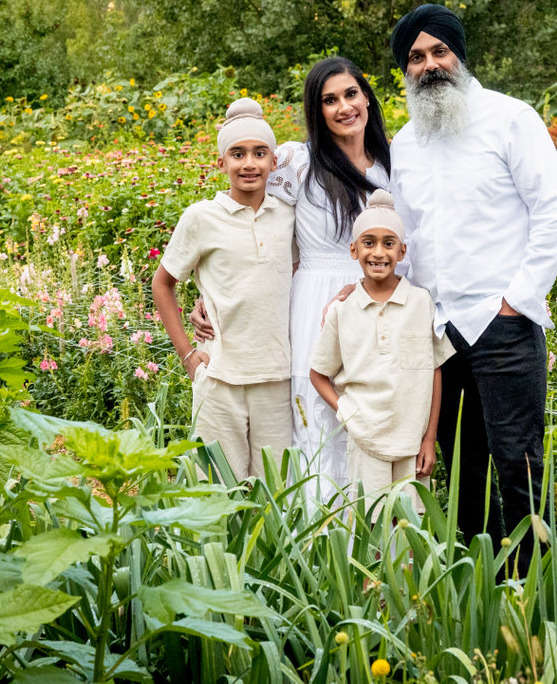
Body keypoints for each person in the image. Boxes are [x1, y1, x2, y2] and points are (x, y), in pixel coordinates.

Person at [386, 3, 557, 548]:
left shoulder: (511, 119)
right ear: (406, 72)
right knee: (462, 474)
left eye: (439, 52)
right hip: (440, 334)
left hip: (502, 325)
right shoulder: (405, 143)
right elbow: (407, 235)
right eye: (416, 58)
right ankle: (477, 599)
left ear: (459, 56)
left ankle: (533, 601)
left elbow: (552, 211)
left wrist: (516, 301)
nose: (429, 66)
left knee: (520, 471)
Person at [191, 57, 392, 496]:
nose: (344, 107)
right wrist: (213, 288)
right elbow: (245, 214)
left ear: (367, 97)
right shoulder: (298, 163)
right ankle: (318, 549)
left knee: (370, 418)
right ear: (316, 111)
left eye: (351, 94)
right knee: (315, 425)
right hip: (313, 305)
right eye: (329, 100)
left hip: (376, 303)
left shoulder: (392, 167)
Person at [151, 98, 295, 480]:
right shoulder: (201, 217)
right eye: (238, 154)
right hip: (219, 377)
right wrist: (187, 356)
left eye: (260, 153)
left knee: (277, 495)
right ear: (221, 163)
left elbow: (295, 271)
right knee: (216, 490)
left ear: (274, 161)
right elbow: (163, 283)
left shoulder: (288, 216)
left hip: (277, 378)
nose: (249, 163)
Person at [308, 190, 454, 515]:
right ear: (353, 249)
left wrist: (429, 439)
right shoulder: (342, 310)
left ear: (402, 251)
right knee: (370, 525)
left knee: (411, 527)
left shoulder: (421, 303)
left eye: (389, 243)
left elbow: (434, 371)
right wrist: (345, 410)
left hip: (411, 442)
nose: (378, 252)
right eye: (368, 242)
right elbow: (318, 373)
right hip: (366, 437)